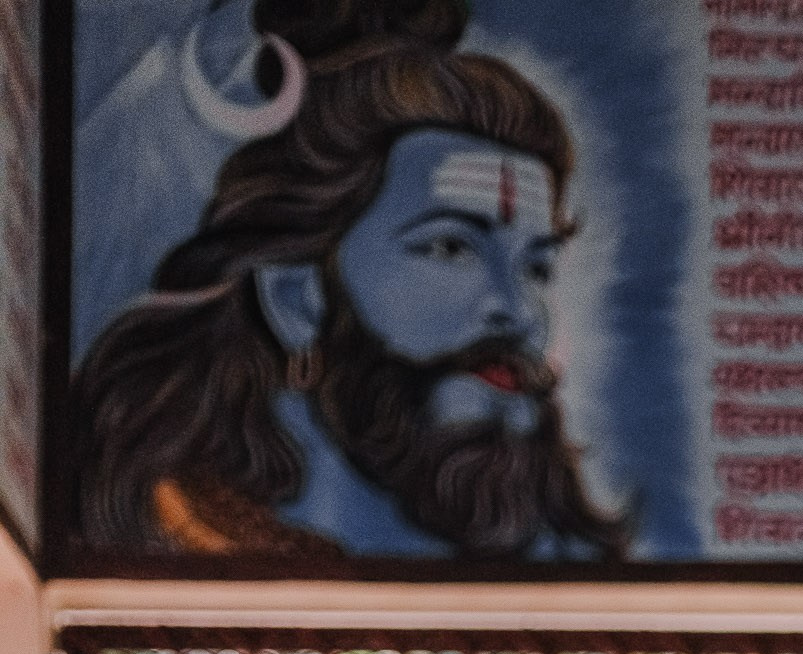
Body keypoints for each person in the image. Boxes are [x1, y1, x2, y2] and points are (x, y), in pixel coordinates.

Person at [70, 0, 632, 562]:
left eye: (536, 266)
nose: (521, 311)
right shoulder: (177, 544)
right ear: (297, 300)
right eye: (452, 247)